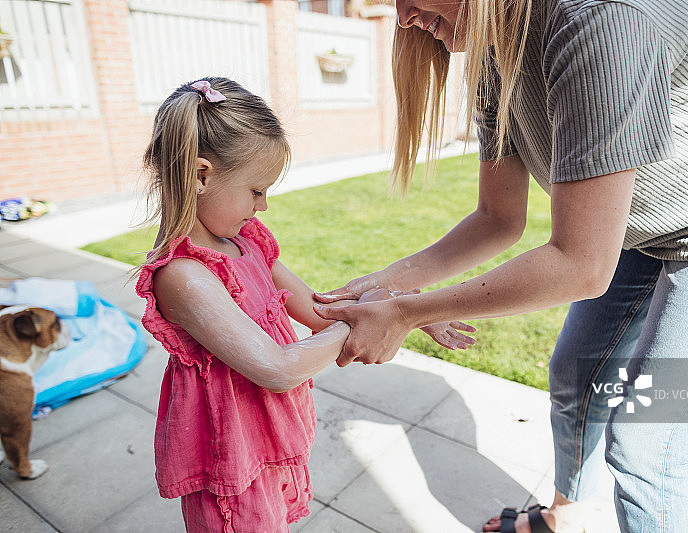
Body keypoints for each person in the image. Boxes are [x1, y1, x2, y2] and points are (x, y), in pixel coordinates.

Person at [311, 0, 688, 531]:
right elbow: (497, 219)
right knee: (576, 372)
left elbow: (581, 264)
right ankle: (566, 514)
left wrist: (408, 313)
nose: (403, 15)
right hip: (648, 214)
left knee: (646, 443)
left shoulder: (594, 19)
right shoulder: (494, 48)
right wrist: (387, 284)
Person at [133, 77, 474, 532]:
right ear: (201, 176)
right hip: (231, 460)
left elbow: (320, 311)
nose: (264, 206)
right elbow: (277, 368)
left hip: (268, 438)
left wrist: (406, 307)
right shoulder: (184, 276)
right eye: (256, 190)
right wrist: (377, 321)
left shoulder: (248, 244)